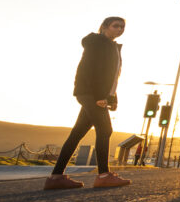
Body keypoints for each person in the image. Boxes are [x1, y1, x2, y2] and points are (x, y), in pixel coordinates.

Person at [45, 17, 132, 189]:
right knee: (105, 129)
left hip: (95, 94)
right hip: (90, 93)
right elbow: (90, 70)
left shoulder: (112, 46)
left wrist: (112, 98)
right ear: (105, 27)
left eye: (122, 27)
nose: (120, 29)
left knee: (77, 133)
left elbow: (112, 77)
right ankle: (104, 175)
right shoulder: (97, 43)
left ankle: (56, 178)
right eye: (116, 26)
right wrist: (100, 96)